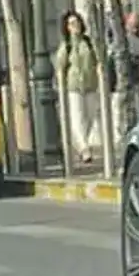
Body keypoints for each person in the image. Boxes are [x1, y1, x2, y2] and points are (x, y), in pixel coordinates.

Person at [53, 10, 103, 164]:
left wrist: (100, 72)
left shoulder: (88, 42)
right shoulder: (66, 45)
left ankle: (81, 144)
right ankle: (84, 148)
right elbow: (60, 65)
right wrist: (60, 84)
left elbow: (97, 59)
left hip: (90, 85)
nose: (75, 26)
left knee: (90, 117)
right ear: (67, 27)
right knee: (77, 118)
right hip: (73, 87)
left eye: (77, 22)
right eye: (72, 23)